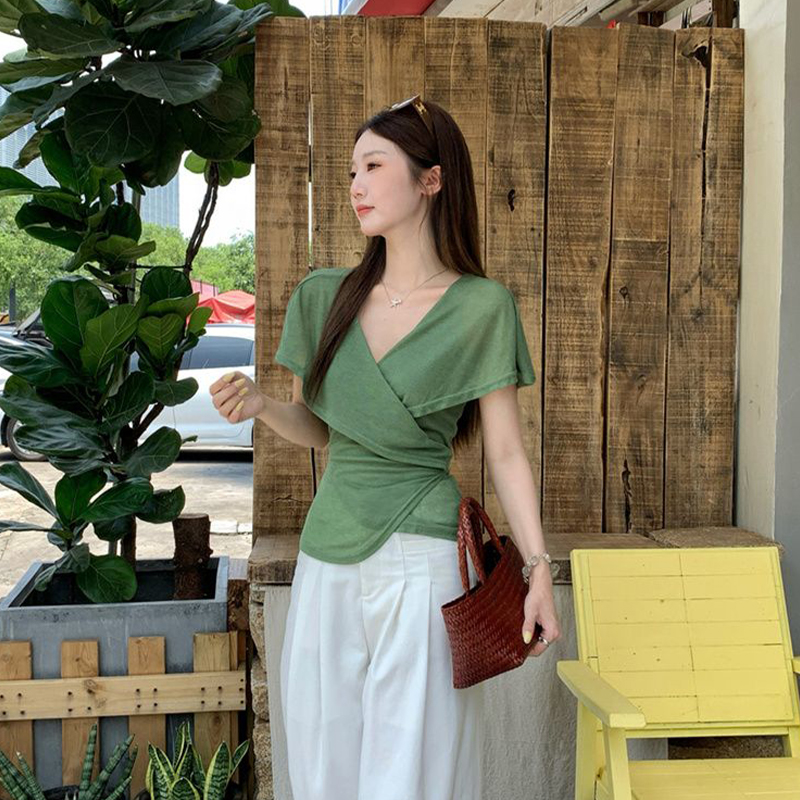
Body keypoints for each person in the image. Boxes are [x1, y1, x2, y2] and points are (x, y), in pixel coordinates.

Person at [209, 94, 561, 800]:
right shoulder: (324, 297)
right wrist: (264, 408)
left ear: (431, 179)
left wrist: (539, 569)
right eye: (351, 172)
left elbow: (505, 454)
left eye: (373, 166)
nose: (356, 186)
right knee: (323, 762)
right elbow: (324, 430)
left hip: (424, 561)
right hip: (328, 553)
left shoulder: (482, 307)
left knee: (415, 770)